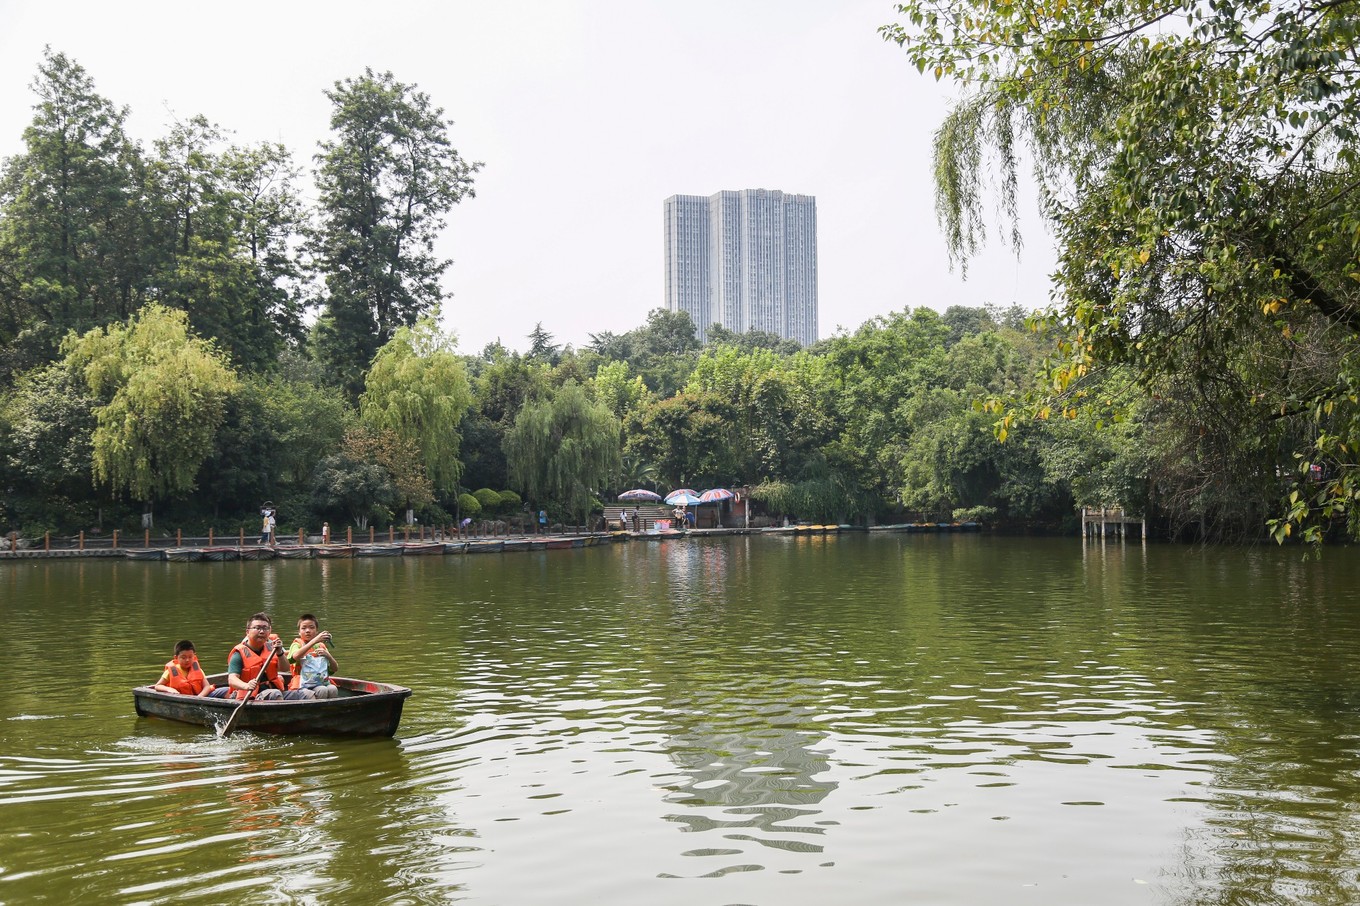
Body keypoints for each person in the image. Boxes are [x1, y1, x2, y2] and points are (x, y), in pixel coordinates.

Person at [208, 612, 311, 700]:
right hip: (250, 696)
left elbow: (284, 669)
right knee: (274, 694)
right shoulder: (239, 654)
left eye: (265, 628)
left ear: (269, 631)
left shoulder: (272, 648)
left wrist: (280, 653)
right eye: (257, 628)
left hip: (274, 691)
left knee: (308, 695)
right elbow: (232, 680)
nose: (261, 631)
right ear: (247, 632)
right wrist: (246, 685)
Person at [286, 613, 339, 699]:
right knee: (322, 690)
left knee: (333, 689)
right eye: (304, 628)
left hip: (321, 681)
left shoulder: (321, 646)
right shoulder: (297, 644)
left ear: (317, 631)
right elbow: (293, 658)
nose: (308, 631)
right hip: (302, 684)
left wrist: (328, 656)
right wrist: (314, 641)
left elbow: (334, 669)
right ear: (299, 632)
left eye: (311, 627)